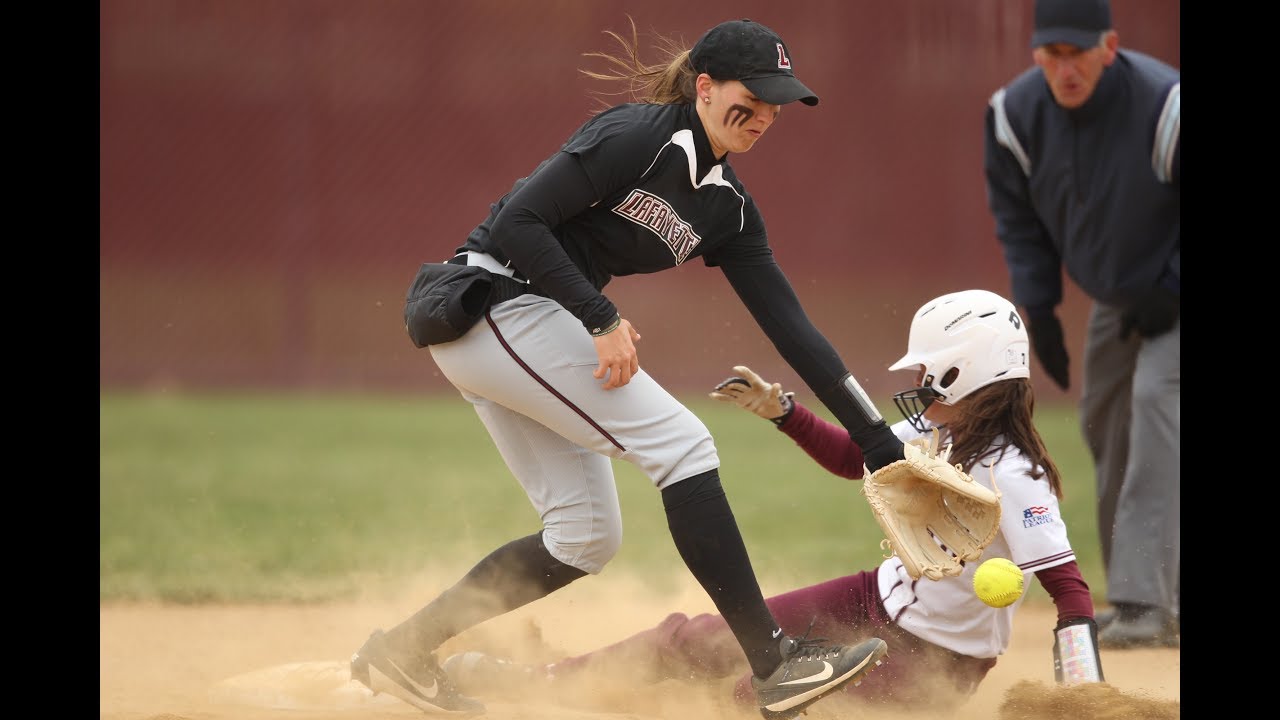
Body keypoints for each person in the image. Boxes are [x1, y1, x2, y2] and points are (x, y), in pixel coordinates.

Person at [350, 18, 906, 720]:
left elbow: (793, 331)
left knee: (584, 536)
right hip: (493, 303)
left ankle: (404, 651)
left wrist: (875, 437)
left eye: (776, 103)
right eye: (751, 96)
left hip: (524, 325)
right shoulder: (640, 135)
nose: (764, 114)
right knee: (684, 445)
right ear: (704, 88)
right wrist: (600, 318)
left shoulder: (727, 208)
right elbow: (521, 220)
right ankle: (775, 663)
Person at [438, 289, 1104, 713]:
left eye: (932, 375)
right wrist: (785, 412)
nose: (921, 386)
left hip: (938, 658)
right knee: (706, 641)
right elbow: (854, 458)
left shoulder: (1015, 475)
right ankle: (541, 682)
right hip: (873, 596)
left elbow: (1072, 594)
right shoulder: (937, 429)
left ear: (975, 376)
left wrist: (1086, 698)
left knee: (756, 698)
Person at [982, 0, 1179, 648]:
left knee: (1156, 404)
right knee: (1103, 420)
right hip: (1122, 296)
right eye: (1052, 54)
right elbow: (1019, 220)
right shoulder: (1015, 114)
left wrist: (1169, 286)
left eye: (1078, 53)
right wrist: (1038, 309)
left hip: (1170, 288)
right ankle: (1151, 592)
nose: (1065, 69)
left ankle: (1145, 604)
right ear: (1037, 53)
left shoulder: (1164, 104)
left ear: (1109, 47)